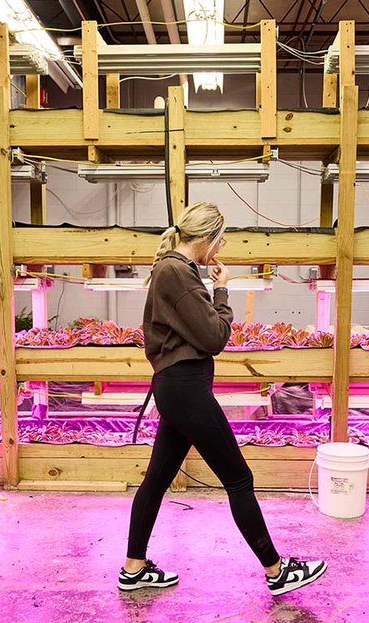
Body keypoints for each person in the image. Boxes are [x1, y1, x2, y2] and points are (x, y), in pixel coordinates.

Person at [119, 202, 327, 597]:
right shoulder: (178, 273)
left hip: (177, 387)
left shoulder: (175, 270)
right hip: (185, 388)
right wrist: (222, 290)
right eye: (221, 238)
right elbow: (214, 337)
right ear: (209, 238)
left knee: (157, 480)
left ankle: (134, 568)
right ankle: (276, 570)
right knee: (239, 479)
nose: (223, 245)